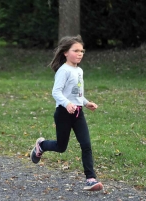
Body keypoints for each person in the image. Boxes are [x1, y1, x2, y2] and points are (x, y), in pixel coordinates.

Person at [30, 35, 103, 191]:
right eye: (75, 50)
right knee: (61, 147)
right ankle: (41, 145)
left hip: (78, 113)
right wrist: (67, 103)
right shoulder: (63, 71)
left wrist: (86, 102)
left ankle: (90, 179)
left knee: (86, 145)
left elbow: (77, 94)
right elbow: (56, 92)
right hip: (63, 113)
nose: (80, 53)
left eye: (82, 51)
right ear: (65, 52)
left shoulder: (79, 71)